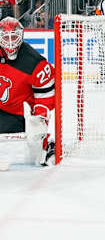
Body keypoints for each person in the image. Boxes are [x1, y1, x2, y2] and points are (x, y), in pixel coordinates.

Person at [0, 16, 55, 165]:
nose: (10, 41)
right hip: (3, 107)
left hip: (18, 116)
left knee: (35, 133)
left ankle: (46, 146)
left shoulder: (34, 62)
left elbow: (46, 96)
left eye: (13, 36)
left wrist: (39, 119)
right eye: (5, 36)